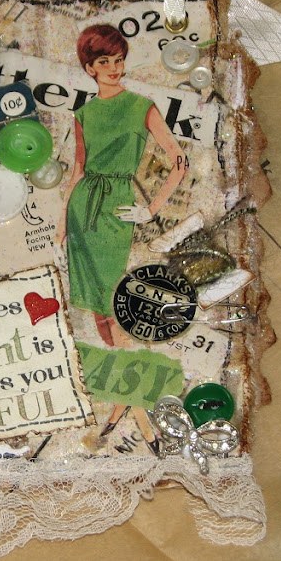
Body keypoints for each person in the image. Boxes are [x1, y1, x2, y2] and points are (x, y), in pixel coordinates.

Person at [57, 24, 187, 346]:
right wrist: (61, 227)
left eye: (118, 60)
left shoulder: (141, 106)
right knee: (94, 297)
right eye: (104, 62)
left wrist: (151, 210)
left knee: (112, 290)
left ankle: (123, 354)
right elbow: (78, 171)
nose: (113, 68)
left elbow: (179, 161)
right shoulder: (84, 114)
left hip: (117, 205)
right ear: (90, 68)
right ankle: (114, 356)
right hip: (82, 208)